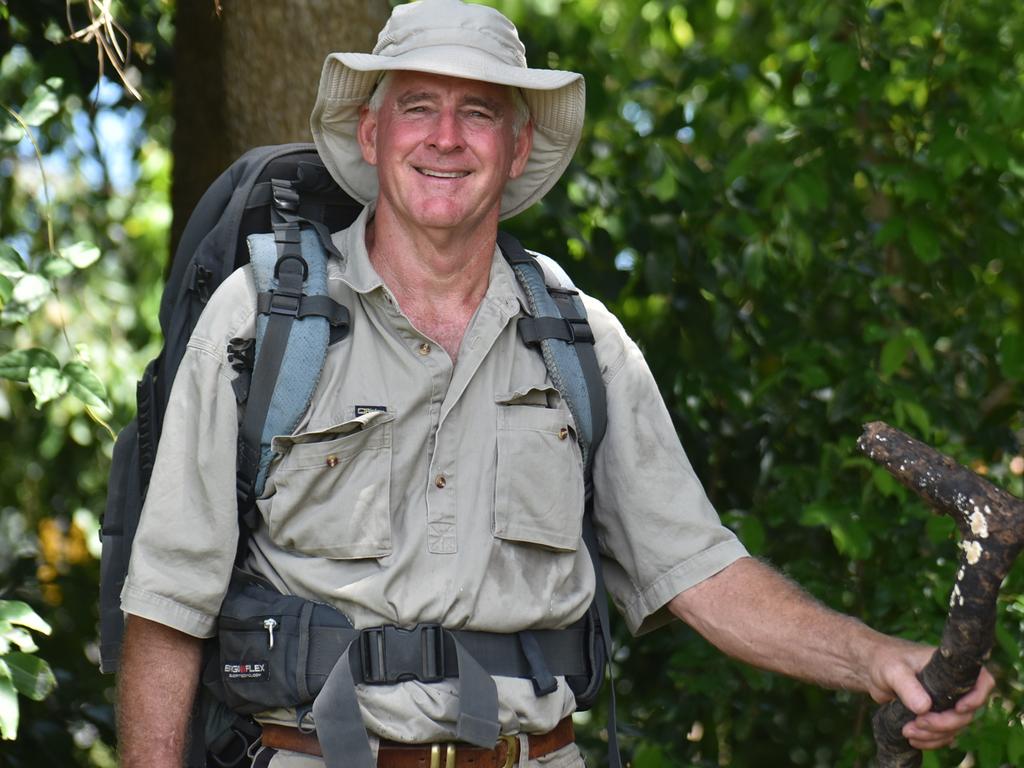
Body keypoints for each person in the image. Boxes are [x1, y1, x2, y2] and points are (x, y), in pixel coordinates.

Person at [116, 1, 994, 766]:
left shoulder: (583, 341)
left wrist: (874, 657)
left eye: (480, 112)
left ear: (518, 143)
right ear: (373, 133)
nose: (446, 138)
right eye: (417, 106)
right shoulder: (262, 318)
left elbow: (698, 571)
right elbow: (167, 606)